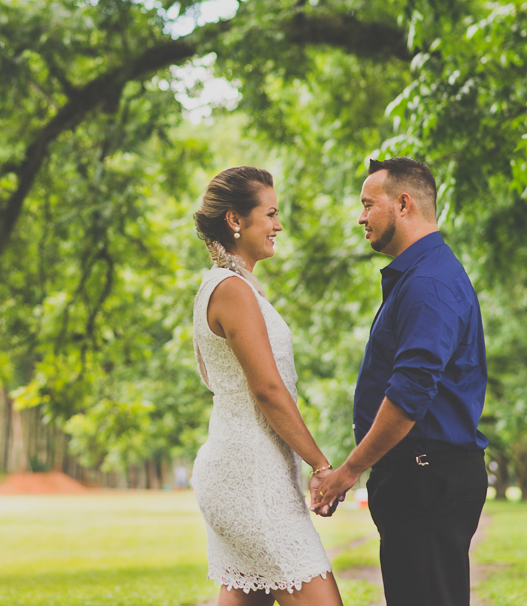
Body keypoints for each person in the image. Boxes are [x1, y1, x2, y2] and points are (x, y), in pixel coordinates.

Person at [313, 157, 488, 606]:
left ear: (403, 204)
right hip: (420, 476)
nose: (360, 216)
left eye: (368, 204)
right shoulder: (421, 275)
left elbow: (409, 394)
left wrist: (347, 472)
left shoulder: (427, 283)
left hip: (425, 480)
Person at [191, 166, 344, 606]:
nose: (279, 225)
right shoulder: (232, 290)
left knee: (247, 598)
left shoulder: (231, 287)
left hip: (251, 468)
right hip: (250, 476)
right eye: (271, 214)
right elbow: (268, 390)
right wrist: (320, 465)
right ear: (235, 221)